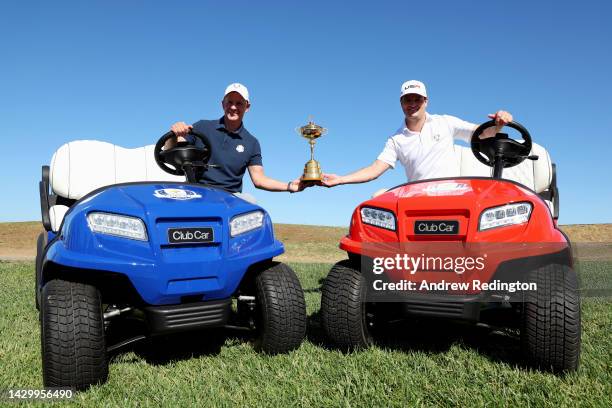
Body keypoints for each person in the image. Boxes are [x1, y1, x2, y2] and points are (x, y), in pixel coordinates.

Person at [321, 80, 513, 187]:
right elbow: (374, 170)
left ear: (426, 101)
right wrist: (341, 179)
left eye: (417, 99)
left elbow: (480, 133)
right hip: (417, 196)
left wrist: (498, 124)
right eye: (407, 100)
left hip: (452, 194)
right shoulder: (396, 140)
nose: (412, 104)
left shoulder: (445, 122)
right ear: (401, 104)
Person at [166, 83, 308, 194]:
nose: (233, 107)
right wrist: (175, 134)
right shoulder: (202, 126)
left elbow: (259, 180)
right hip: (197, 192)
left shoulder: (252, 143)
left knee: (252, 206)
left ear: (247, 107)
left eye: (239, 103)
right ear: (223, 104)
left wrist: (290, 186)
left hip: (231, 197)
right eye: (230, 102)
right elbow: (172, 151)